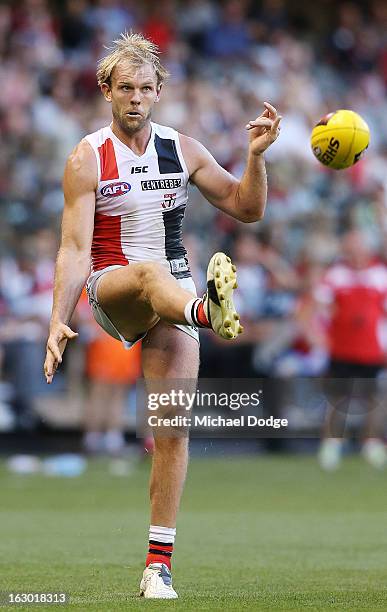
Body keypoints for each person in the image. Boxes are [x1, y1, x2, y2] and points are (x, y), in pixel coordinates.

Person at [43, 32, 281, 599]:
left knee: (171, 432)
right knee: (154, 273)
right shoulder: (87, 156)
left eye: (145, 89)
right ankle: (206, 310)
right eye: (124, 88)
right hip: (115, 287)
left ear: (158, 92)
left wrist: (254, 156)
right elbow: (74, 248)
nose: (134, 98)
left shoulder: (183, 148)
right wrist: (57, 318)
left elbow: (247, 209)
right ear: (106, 90)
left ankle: (157, 568)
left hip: (171, 303)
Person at [315, 229, 387, 470]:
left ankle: (371, 443)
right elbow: (320, 306)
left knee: (373, 398)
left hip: (371, 349)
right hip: (342, 348)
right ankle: (332, 445)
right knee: (338, 398)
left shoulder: (380, 274)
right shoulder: (336, 274)